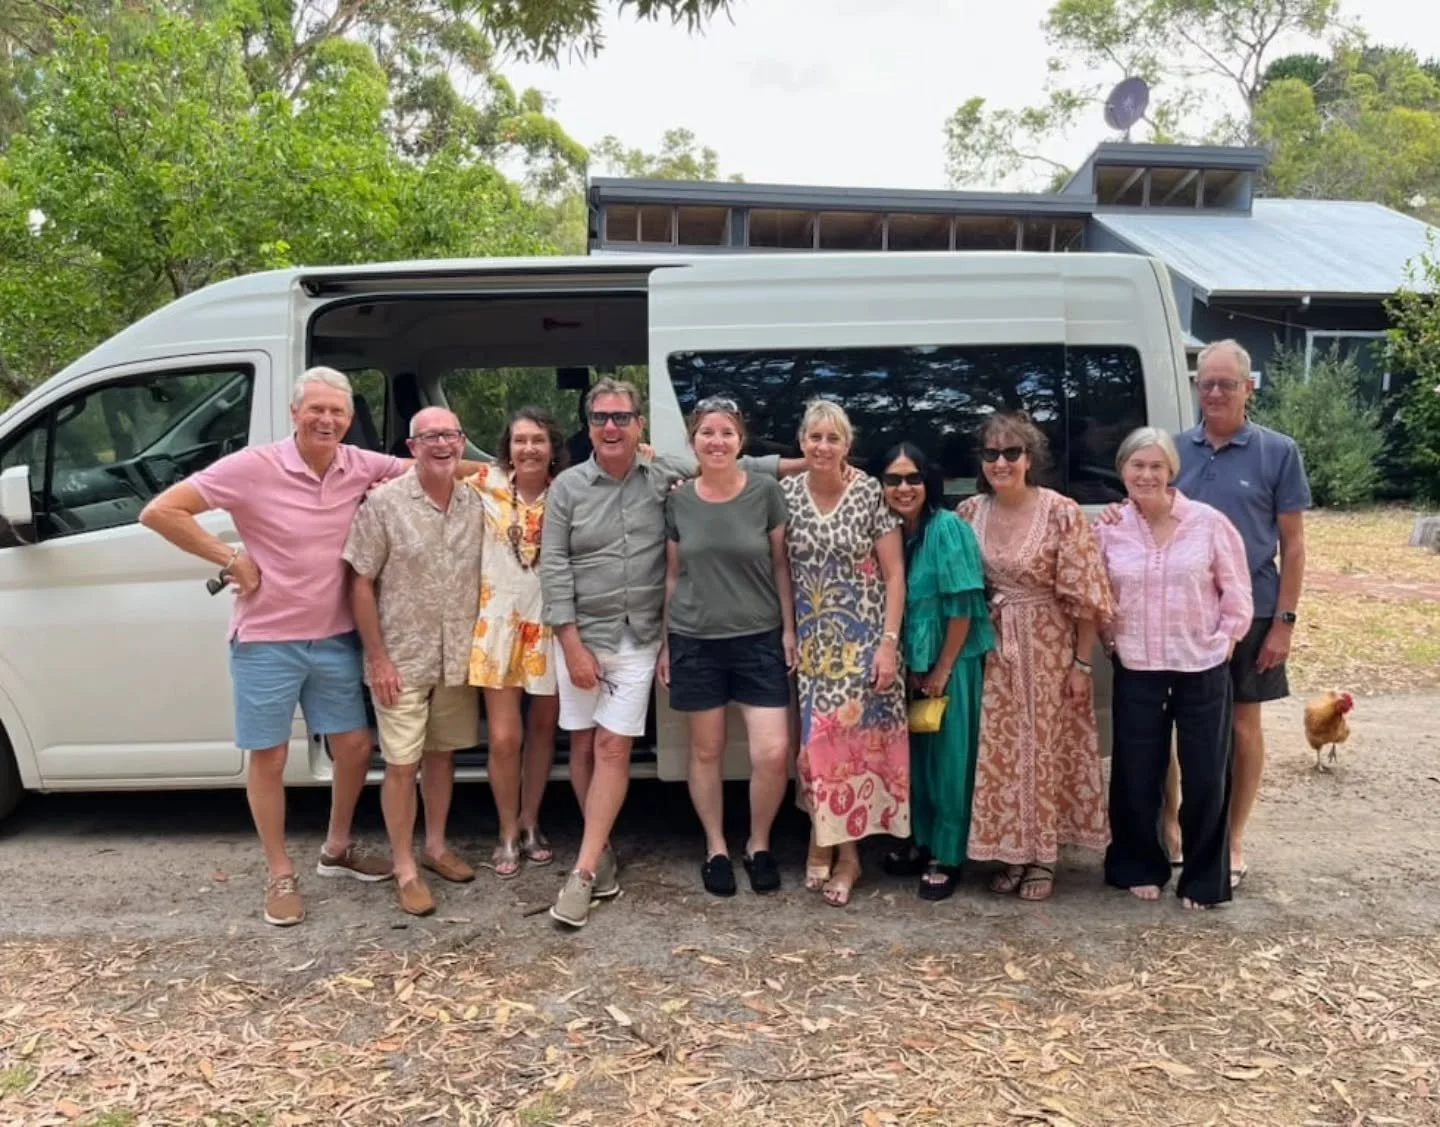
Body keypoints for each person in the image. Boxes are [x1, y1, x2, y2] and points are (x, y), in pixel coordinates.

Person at [138, 367, 411, 926]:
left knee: (356, 747)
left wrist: (528, 471)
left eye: (337, 412)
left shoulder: (360, 464)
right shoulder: (253, 467)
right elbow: (160, 511)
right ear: (294, 413)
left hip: (335, 636)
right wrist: (230, 558)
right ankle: (280, 871)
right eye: (316, 409)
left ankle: (336, 849)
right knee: (270, 757)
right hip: (266, 640)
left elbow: (439, 466)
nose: (327, 420)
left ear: (350, 419)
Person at [539, 378, 801, 927]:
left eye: (622, 417)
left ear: (640, 425)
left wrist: (829, 460)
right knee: (584, 747)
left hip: (638, 637)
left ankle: (583, 871)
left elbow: (747, 467)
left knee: (611, 749)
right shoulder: (567, 487)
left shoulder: (664, 475)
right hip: (584, 634)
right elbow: (555, 568)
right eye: (601, 418)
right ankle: (603, 851)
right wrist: (569, 640)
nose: (611, 427)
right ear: (588, 426)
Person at [1105, 340, 1311, 887]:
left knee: (1237, 731)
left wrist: (1283, 624)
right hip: (1159, 630)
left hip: (1248, 612)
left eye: (1226, 383)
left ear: (1249, 387)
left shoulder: (1277, 451)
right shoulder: (1174, 448)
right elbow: (1139, 504)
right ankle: (1169, 834)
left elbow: (1293, 544)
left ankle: (1231, 841)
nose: (1214, 392)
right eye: (1206, 383)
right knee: (1156, 746)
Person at [956, 413, 1113, 903]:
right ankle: (1014, 852)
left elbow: (1086, 596)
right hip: (992, 646)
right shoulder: (968, 513)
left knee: (1045, 748)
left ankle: (1044, 855)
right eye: (991, 453)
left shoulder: (1061, 512)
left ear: (1030, 458)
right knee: (1002, 754)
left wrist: (1081, 663)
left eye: (1011, 452)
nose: (1001, 462)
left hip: (1048, 646)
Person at [1095, 427, 1253, 910]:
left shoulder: (1208, 523)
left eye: (1156, 466)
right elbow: (1097, 592)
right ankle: (1139, 864)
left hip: (1200, 663)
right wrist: (1109, 637)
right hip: (1139, 664)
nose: (1146, 474)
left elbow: (1237, 589)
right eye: (1136, 465)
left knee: (1207, 774)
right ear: (1122, 471)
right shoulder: (1108, 528)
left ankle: (1205, 877)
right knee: (1135, 772)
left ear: (1171, 473)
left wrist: (1228, 636)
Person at [343, 408, 484, 916]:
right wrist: (377, 658)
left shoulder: (477, 501)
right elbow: (359, 580)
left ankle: (437, 846)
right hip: (400, 659)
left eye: (450, 434)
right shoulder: (383, 504)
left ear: (462, 443)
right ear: (411, 446)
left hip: (456, 657)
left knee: (443, 756)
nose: (442, 444)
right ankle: (405, 868)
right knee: (402, 766)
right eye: (430, 437)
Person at [658, 398, 797, 897]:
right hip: (696, 638)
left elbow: (781, 566)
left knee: (773, 752)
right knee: (706, 750)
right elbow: (673, 575)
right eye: (707, 433)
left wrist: (788, 629)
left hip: (759, 636)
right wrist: (666, 642)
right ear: (693, 441)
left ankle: (759, 844)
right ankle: (716, 846)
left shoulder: (766, 493)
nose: (717, 441)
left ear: (742, 441)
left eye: (727, 433)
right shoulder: (678, 500)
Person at [782, 400, 909, 909]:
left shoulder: (868, 495)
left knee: (843, 756)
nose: (822, 446)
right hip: (814, 648)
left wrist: (888, 646)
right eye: (814, 437)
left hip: (862, 648)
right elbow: (782, 570)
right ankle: (829, 841)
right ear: (801, 443)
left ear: (847, 446)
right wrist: (789, 631)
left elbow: (895, 575)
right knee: (817, 753)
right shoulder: (787, 494)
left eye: (832, 438)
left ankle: (845, 855)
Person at [877, 443, 994, 901]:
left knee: (949, 762)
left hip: (952, 662)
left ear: (929, 483)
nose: (904, 488)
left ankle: (947, 854)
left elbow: (964, 606)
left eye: (913, 478)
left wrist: (943, 668)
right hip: (911, 664)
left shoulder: (948, 530)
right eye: (893, 480)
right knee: (916, 763)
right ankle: (920, 842)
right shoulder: (893, 533)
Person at [466, 407, 567, 878]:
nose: (528, 448)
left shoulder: (566, 491)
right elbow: (421, 465)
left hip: (549, 623)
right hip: (498, 622)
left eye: (538, 440)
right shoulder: (486, 480)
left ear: (552, 448)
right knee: (506, 736)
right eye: (520, 440)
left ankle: (531, 823)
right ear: (507, 446)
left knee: (544, 731)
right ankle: (505, 829)